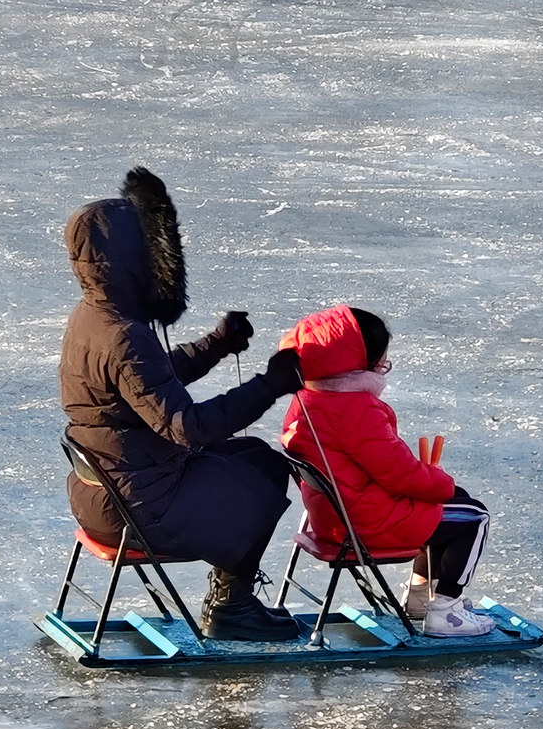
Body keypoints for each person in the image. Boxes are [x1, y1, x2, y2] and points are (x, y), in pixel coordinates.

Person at [59, 165, 302, 642]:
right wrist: (271, 385)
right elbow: (187, 426)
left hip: (109, 488)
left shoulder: (95, 317)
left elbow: (150, 382)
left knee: (257, 458)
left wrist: (216, 344)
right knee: (264, 476)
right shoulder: (123, 335)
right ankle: (232, 609)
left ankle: (233, 599)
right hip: (140, 506)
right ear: (130, 259)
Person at [279, 305, 496, 637]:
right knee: (474, 517)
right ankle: (447, 611)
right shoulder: (355, 409)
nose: (384, 366)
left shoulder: (307, 400)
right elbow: (399, 473)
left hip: (332, 517)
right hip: (367, 523)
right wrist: (440, 481)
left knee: (452, 502)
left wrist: (440, 488)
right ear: (360, 362)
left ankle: (421, 594)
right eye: (382, 360)